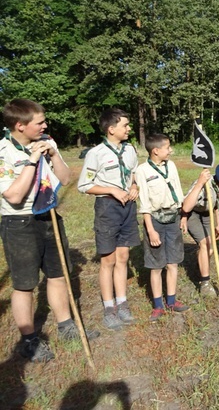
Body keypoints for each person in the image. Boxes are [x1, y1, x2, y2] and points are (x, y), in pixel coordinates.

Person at [0, 99, 99, 362]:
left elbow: (65, 179)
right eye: (39, 122)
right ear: (19, 125)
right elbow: (14, 195)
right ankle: (29, 340)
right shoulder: (3, 152)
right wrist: (32, 160)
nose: (45, 125)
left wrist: (53, 155)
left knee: (57, 274)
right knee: (25, 284)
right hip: (19, 222)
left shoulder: (48, 142)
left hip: (49, 216)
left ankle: (66, 326)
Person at [78, 108, 140, 330]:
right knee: (108, 260)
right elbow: (84, 185)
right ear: (111, 129)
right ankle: (108, 306)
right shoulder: (96, 153)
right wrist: (111, 190)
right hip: (108, 208)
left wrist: (134, 186)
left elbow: (133, 173)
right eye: (125, 125)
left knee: (123, 256)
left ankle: (122, 303)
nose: (129, 128)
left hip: (128, 207)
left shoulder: (130, 150)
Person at [134, 133, 189, 321]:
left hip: (173, 218)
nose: (170, 150)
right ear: (156, 151)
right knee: (156, 266)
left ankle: (172, 301)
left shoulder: (171, 166)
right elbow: (144, 204)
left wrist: (183, 216)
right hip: (155, 222)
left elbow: (179, 192)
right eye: (167, 147)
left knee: (173, 263)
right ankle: (158, 305)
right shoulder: (141, 171)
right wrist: (150, 230)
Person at [180, 162, 219, 297]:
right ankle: (205, 283)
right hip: (192, 213)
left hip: (207, 213)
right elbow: (185, 206)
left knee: (210, 248)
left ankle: (201, 265)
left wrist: (218, 223)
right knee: (206, 244)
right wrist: (199, 184)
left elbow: (218, 206)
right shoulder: (205, 185)